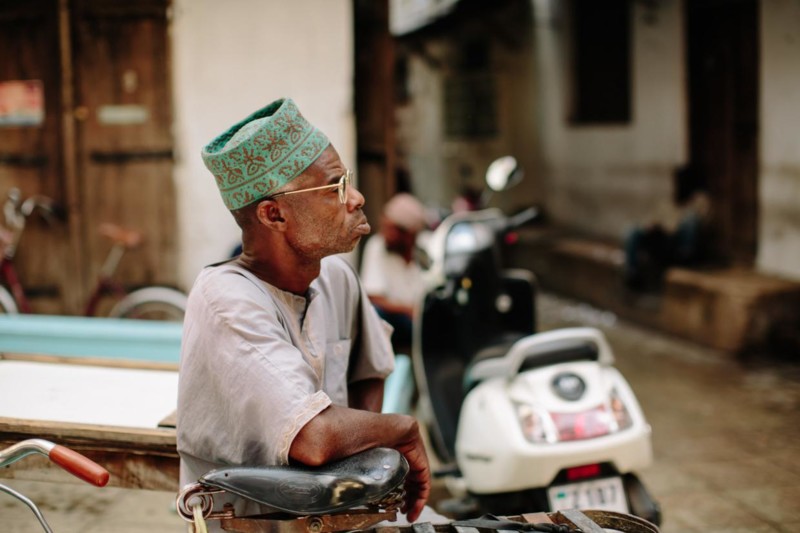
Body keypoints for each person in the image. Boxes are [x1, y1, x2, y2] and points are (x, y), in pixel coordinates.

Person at [177, 98, 432, 529]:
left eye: (347, 181)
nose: (356, 197)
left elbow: (369, 370)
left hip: (337, 521)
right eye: (335, 187)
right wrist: (400, 430)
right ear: (274, 214)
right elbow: (313, 439)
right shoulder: (226, 301)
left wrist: (369, 465)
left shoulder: (335, 275)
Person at [623, 167, 711, 290]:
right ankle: (632, 271)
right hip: (663, 241)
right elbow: (655, 220)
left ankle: (684, 260)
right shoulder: (667, 202)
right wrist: (652, 227)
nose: (679, 185)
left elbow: (701, 225)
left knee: (690, 220)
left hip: (678, 244)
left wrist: (672, 229)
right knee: (633, 230)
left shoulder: (699, 202)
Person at [360, 192, 427, 352]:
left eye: (390, 230)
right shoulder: (377, 246)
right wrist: (409, 310)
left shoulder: (426, 249)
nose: (384, 234)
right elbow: (373, 296)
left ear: (408, 235)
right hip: (397, 320)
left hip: (424, 319)